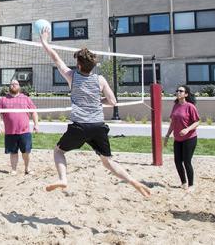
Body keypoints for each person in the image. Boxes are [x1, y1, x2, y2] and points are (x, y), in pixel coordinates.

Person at [40, 28, 150, 197]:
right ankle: (131, 180)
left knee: (58, 151)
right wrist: (97, 101)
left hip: (80, 125)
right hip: (98, 126)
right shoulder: (100, 80)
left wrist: (45, 41)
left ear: (78, 65)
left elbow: (56, 58)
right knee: (107, 162)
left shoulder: (72, 76)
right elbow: (113, 102)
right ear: (94, 65)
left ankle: (63, 178)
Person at [0, 79, 39, 175]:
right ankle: (14, 170)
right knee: (13, 152)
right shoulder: (2, 99)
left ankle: (27, 169)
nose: (14, 85)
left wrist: (36, 125)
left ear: (19, 86)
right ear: (9, 87)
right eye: (12, 84)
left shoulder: (26, 98)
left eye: (16, 84)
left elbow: (34, 112)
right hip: (10, 132)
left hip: (25, 131)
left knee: (26, 152)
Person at [164, 85, 200, 190]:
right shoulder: (175, 106)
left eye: (181, 91)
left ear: (186, 94)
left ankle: (191, 185)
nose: (178, 92)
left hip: (190, 138)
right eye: (177, 91)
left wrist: (187, 129)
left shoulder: (190, 106)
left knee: (186, 161)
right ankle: (183, 182)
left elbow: (197, 121)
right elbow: (172, 123)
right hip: (177, 139)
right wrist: (167, 136)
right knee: (177, 161)